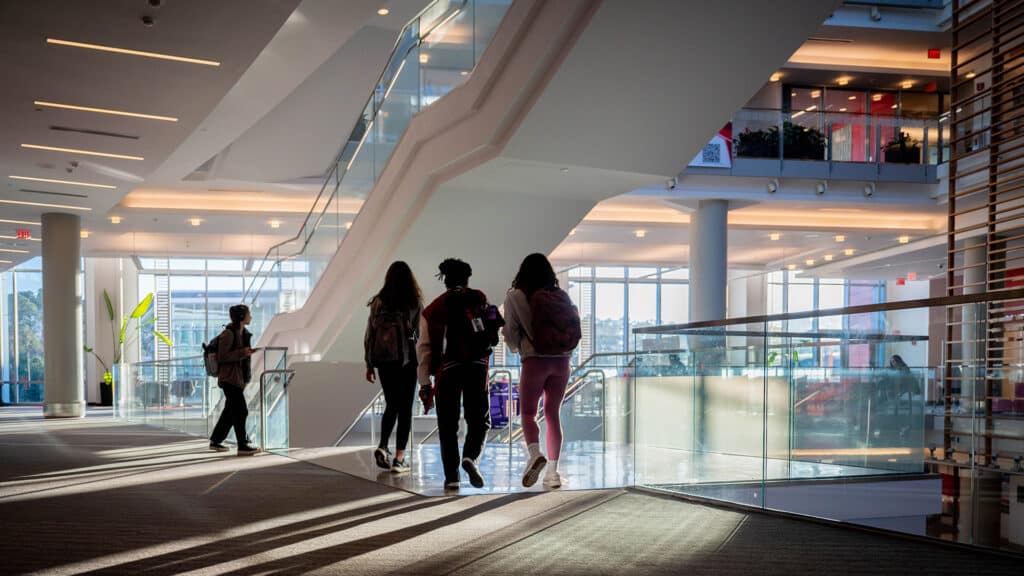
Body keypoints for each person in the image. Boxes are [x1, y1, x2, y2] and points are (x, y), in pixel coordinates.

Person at [417, 258, 502, 490]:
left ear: (444, 280)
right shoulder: (479, 298)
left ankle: (452, 477)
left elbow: (423, 349)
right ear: (467, 278)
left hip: (447, 371)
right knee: (479, 420)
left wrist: (424, 383)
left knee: (448, 424)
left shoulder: (432, 310)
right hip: (476, 367)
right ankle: (470, 458)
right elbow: (491, 330)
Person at [502, 253, 579, 488]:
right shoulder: (560, 295)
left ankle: (535, 455)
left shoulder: (515, 296)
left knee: (527, 413)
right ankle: (553, 474)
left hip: (535, 360)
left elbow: (510, 333)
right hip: (562, 361)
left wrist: (516, 346)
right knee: (553, 414)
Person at [364, 261, 423, 473]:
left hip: (383, 361)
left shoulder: (378, 303)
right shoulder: (413, 302)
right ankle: (399, 459)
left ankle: (382, 446)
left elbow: (370, 335)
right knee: (405, 408)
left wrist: (369, 364)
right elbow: (417, 334)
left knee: (391, 405)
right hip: (406, 361)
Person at [209, 304, 259, 455]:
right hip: (229, 378)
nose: (251, 316)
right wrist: (242, 352)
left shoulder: (243, 333)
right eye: (249, 313)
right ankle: (242, 446)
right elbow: (222, 357)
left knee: (230, 411)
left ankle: (216, 441)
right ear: (242, 316)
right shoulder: (229, 334)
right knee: (240, 411)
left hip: (237, 379)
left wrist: (246, 353)